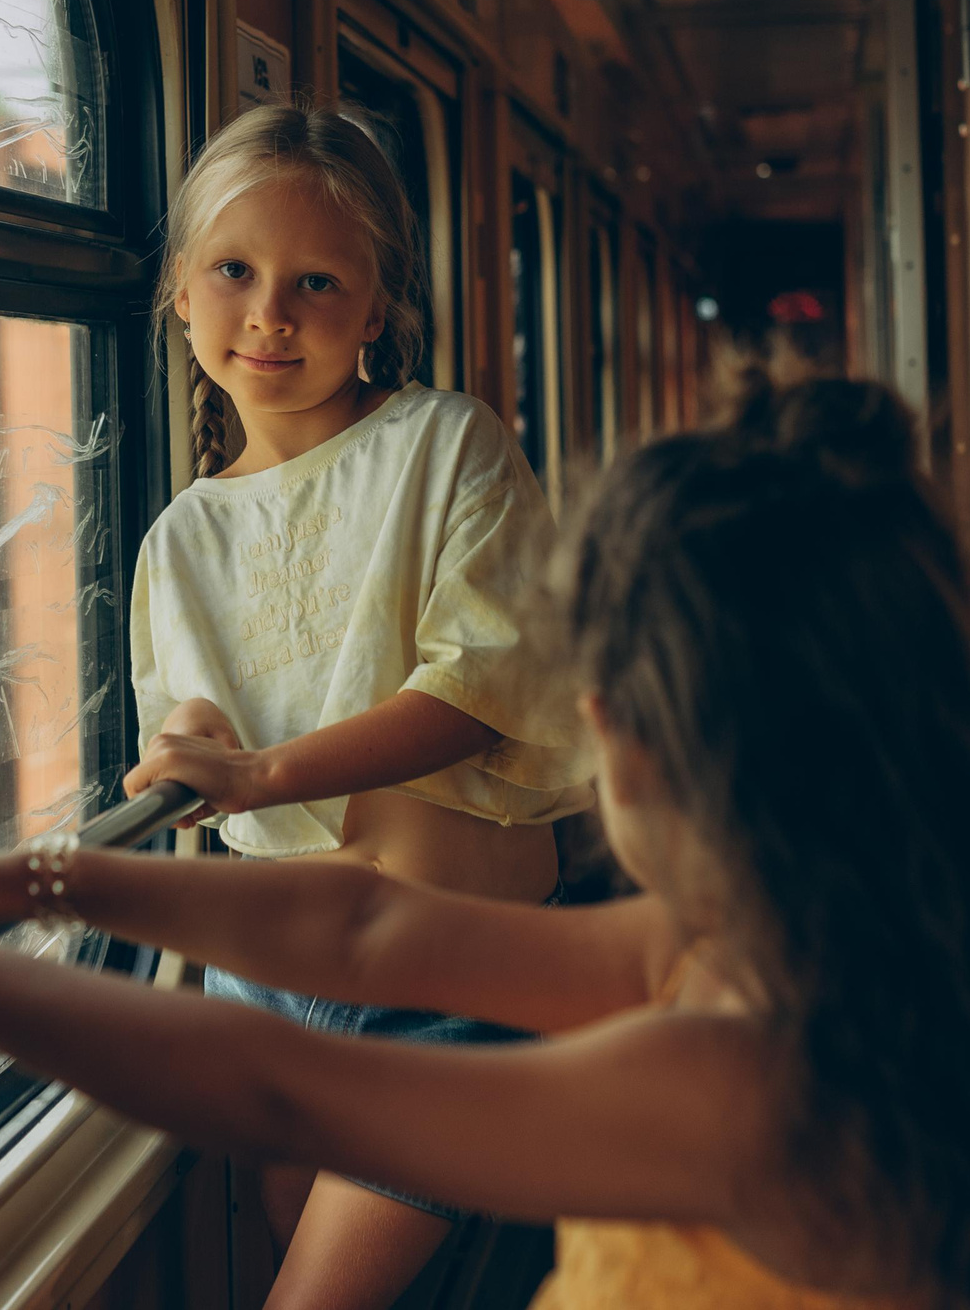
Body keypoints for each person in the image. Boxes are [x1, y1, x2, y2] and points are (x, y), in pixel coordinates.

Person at [0, 376, 970, 1310]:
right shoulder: (779, 952)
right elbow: (367, 929)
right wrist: (53, 879)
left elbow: (291, 1089)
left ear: (624, 734)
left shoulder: (741, 1075)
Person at [101, 102, 603, 1306]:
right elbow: (196, 720)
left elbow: (478, 689)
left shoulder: (447, 445)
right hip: (269, 985)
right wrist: (186, 753)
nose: (270, 312)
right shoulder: (178, 536)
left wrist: (261, 775)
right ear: (180, 289)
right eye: (234, 270)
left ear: (375, 308)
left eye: (316, 280)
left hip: (454, 972)